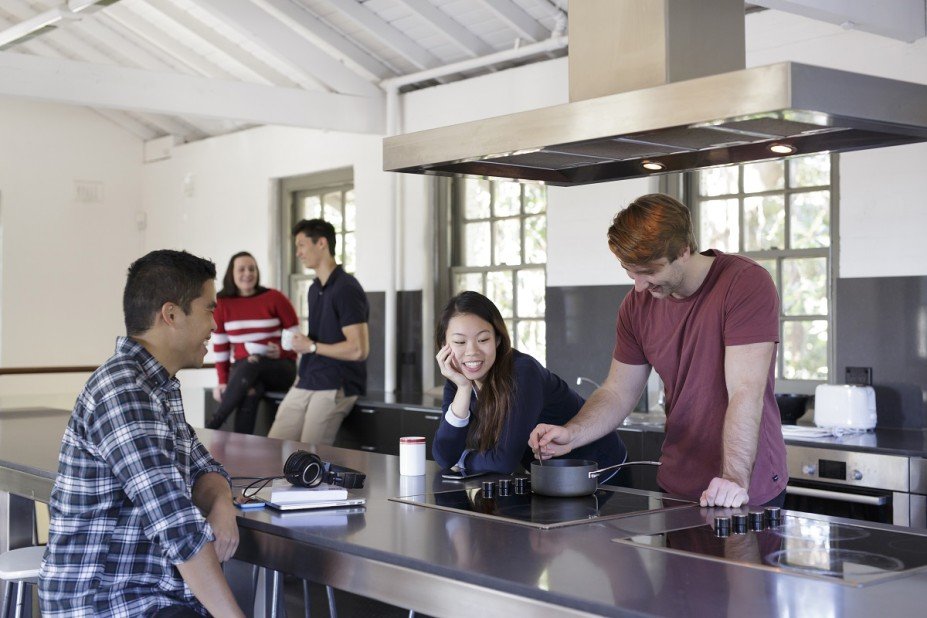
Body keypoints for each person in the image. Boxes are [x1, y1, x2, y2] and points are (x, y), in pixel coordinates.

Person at [529, 193, 787, 509]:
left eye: (649, 271)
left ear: (683, 251)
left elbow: (745, 391)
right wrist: (572, 433)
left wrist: (733, 479)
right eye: (630, 271)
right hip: (676, 485)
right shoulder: (636, 306)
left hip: (744, 489)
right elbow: (617, 393)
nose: (639, 285)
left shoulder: (744, 283)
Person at [38, 250, 244, 617]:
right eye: (209, 309)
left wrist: (223, 502)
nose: (216, 324)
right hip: (106, 602)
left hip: (152, 596)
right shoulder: (124, 390)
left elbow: (204, 467)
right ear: (171, 314)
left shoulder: (158, 386)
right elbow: (177, 527)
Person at [434, 291, 626, 475]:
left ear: (498, 339)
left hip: (601, 470)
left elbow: (503, 462)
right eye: (459, 342)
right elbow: (443, 456)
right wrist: (464, 387)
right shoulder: (459, 379)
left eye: (483, 339)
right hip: (550, 478)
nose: (472, 352)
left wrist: (462, 460)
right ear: (445, 344)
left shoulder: (522, 372)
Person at [268, 219, 369, 445]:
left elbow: (359, 350)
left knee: (308, 455)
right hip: (307, 379)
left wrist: (311, 346)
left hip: (335, 384)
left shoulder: (346, 288)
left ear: (321, 243)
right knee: (271, 446)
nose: (298, 253)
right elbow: (320, 340)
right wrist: (302, 346)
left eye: (302, 245)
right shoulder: (315, 290)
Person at [207, 251, 299, 434]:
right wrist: (222, 381)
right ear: (231, 274)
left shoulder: (275, 298)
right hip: (245, 371)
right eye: (241, 269)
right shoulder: (223, 303)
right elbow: (221, 349)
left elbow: (297, 338)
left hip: (280, 367)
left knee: (252, 363)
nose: (247, 273)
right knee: (251, 390)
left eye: (252, 268)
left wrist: (281, 350)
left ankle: (215, 423)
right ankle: (241, 450)